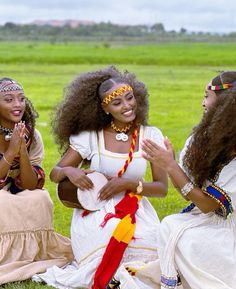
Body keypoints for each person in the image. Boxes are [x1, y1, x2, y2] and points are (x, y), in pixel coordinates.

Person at [34, 65, 168, 289]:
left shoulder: (149, 135)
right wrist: (70, 170)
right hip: (96, 211)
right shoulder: (90, 137)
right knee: (109, 234)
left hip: (136, 209)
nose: (127, 106)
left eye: (129, 98)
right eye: (117, 103)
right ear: (105, 109)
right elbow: (55, 173)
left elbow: (162, 188)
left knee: (148, 241)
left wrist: (128, 184)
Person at [141, 71, 236, 289]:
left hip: (229, 228)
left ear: (224, 102)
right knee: (171, 225)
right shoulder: (201, 138)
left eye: (206, 96)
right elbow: (190, 193)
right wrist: (171, 164)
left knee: (185, 237)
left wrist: (170, 166)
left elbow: (206, 205)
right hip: (211, 219)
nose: (203, 103)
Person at [0, 77, 73, 285]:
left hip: (17, 188)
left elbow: (31, 184)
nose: (17, 104)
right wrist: (11, 150)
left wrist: (22, 151)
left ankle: (33, 254)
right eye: (9, 99)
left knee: (40, 198)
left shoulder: (32, 134)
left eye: (21, 99)